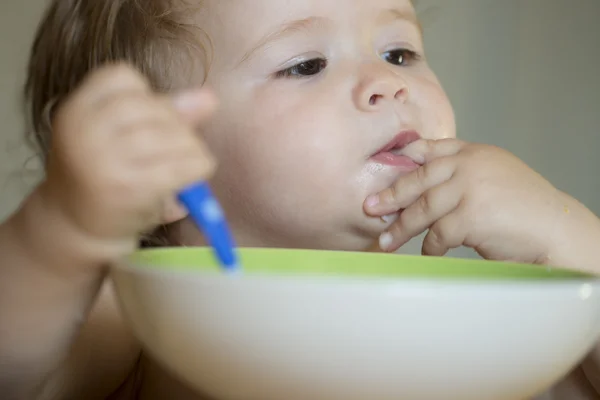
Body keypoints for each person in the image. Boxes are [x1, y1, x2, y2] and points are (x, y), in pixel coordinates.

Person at [1, 0, 600, 399]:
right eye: (306, 64)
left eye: (400, 53)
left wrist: (571, 236)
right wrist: (60, 229)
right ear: (171, 164)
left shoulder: (485, 326)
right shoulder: (138, 313)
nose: (387, 83)